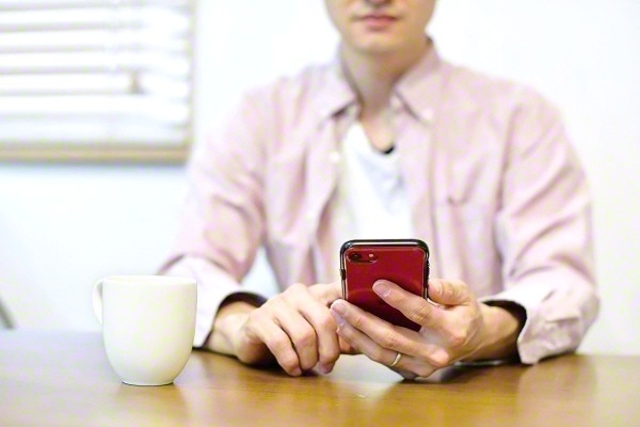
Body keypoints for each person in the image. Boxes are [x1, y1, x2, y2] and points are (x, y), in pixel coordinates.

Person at [160, 0, 599, 380]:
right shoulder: (259, 117)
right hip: (313, 393)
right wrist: (242, 326)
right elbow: (189, 270)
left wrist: (485, 329)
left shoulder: (520, 118)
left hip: (473, 397)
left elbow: (564, 284)